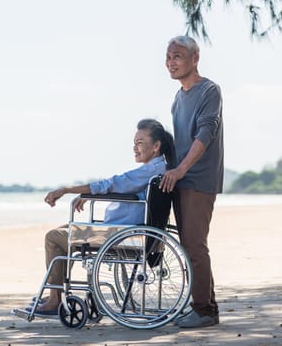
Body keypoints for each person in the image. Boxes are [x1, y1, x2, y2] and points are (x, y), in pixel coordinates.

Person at [33, 119, 175, 315]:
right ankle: (55, 294)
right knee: (66, 229)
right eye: (134, 143)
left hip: (123, 235)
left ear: (156, 146)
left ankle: (55, 298)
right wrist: (86, 194)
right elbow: (116, 186)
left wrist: (67, 190)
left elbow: (112, 184)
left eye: (140, 143)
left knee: (53, 237)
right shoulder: (161, 169)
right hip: (131, 231)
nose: (135, 148)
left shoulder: (150, 171)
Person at [160, 35, 224, 328]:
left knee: (195, 245)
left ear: (194, 58)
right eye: (168, 57)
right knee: (190, 245)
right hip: (179, 179)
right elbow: (179, 142)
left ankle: (204, 311)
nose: (170, 62)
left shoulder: (209, 91)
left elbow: (204, 135)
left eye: (177, 56)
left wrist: (182, 170)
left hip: (198, 179)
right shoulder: (178, 97)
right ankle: (205, 306)